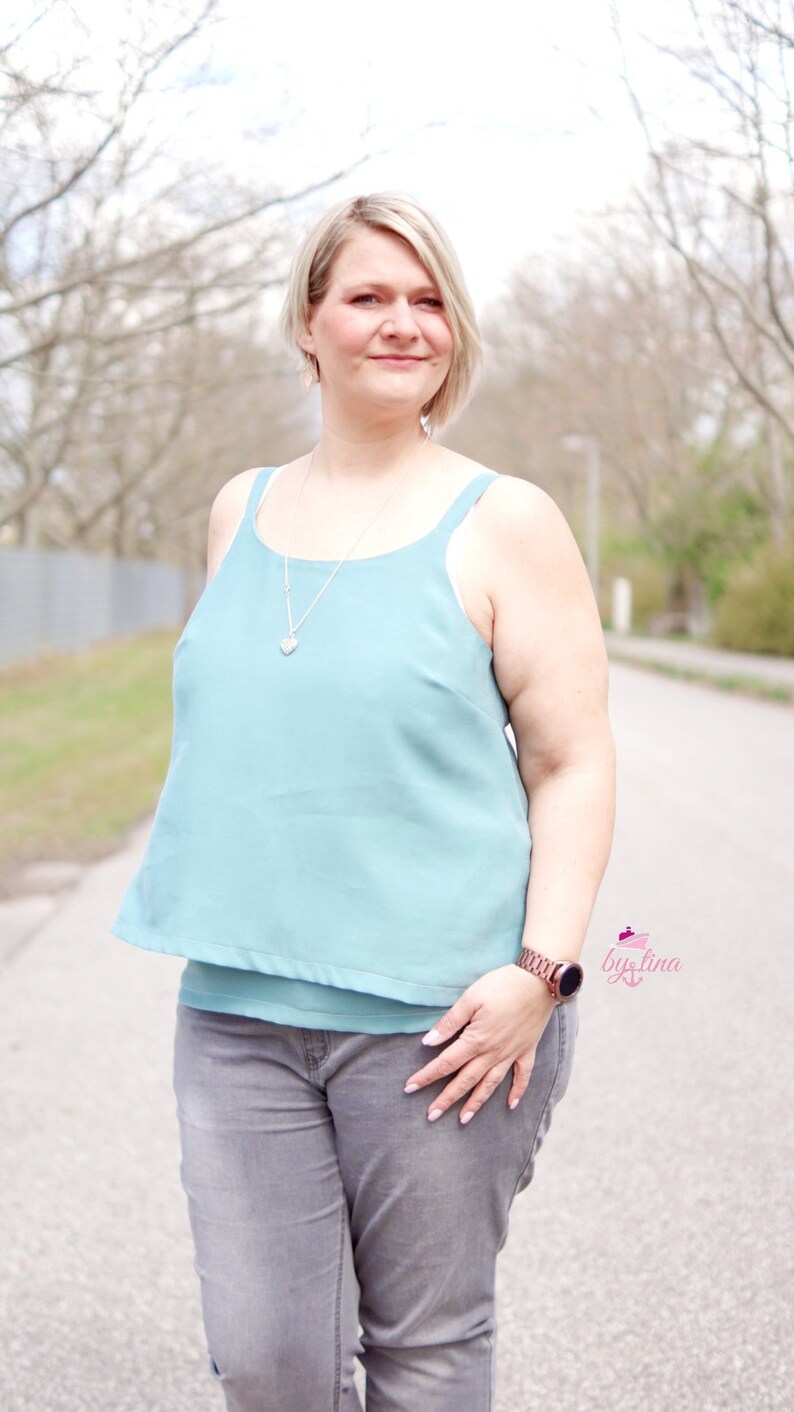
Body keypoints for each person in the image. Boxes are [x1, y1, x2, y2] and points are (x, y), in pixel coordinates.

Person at [110, 191, 616, 1412]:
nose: (403, 322)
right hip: (236, 1015)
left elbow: (572, 761)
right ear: (308, 324)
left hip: (444, 1028)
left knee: (426, 1350)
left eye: (428, 298)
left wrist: (537, 975)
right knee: (271, 1363)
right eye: (369, 296)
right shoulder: (239, 508)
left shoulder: (504, 520)